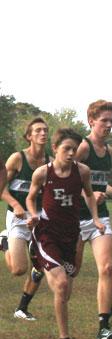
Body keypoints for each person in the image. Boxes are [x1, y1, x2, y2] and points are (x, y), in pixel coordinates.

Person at [26, 128, 105, 339]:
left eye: (74, 149)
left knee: (66, 291)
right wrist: (33, 215)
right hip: (47, 233)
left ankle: (41, 267)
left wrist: (96, 218)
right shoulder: (43, 173)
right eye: (66, 149)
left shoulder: (82, 172)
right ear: (55, 149)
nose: (71, 153)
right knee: (60, 284)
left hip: (72, 235)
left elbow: (89, 195)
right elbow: (31, 197)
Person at [74, 100, 112, 339]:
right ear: (91, 121)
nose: (108, 125)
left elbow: (99, 183)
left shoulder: (109, 151)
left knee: (106, 268)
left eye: (111, 121)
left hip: (100, 216)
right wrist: (88, 196)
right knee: (71, 271)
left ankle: (103, 327)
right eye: (104, 120)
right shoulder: (82, 148)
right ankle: (39, 262)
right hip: (75, 217)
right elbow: (64, 180)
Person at [0, 118, 50, 320]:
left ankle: (22, 308)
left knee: (42, 265)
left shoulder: (50, 161)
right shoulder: (17, 159)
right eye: (38, 130)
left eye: (46, 130)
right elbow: (1, 188)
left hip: (39, 217)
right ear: (29, 136)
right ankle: (4, 242)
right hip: (18, 216)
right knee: (19, 270)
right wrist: (16, 204)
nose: (43, 133)